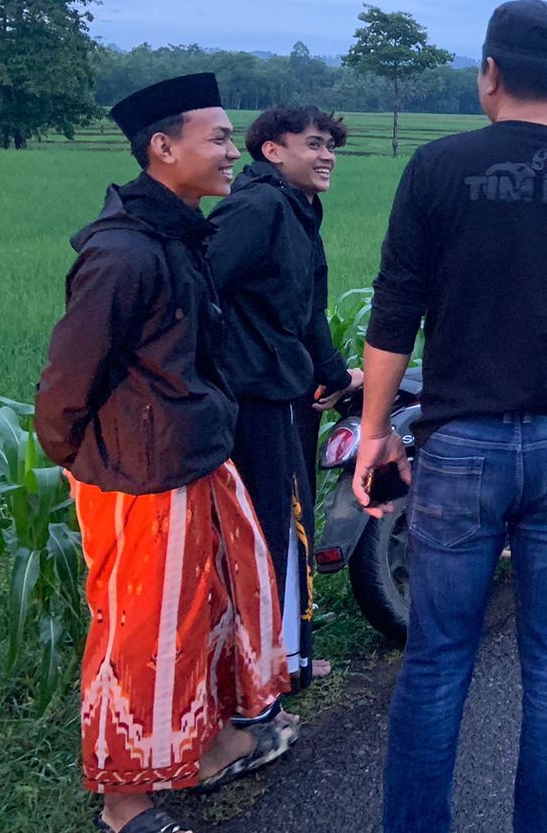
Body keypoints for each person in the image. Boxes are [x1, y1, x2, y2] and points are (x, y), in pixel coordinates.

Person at [351, 0, 547, 833]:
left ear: (489, 73)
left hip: (459, 444)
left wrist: (376, 431)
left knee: (437, 659)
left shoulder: (436, 168)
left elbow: (394, 312)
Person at [34, 73, 292, 833]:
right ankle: (124, 803)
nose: (233, 151)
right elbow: (67, 383)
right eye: (219, 137)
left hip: (193, 459)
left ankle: (204, 750)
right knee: (142, 635)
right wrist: (91, 462)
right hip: (140, 479)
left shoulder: (179, 235)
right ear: (163, 147)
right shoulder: (123, 255)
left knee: (209, 613)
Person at [209, 105, 364, 690]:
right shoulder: (256, 207)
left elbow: (307, 309)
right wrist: (229, 362)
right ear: (273, 150)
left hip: (286, 387)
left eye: (331, 147)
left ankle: (289, 659)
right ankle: (258, 672)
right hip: (253, 395)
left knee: (290, 519)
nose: (327, 157)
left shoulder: (299, 207)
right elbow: (200, 289)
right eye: (314, 144)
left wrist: (332, 373)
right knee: (268, 525)